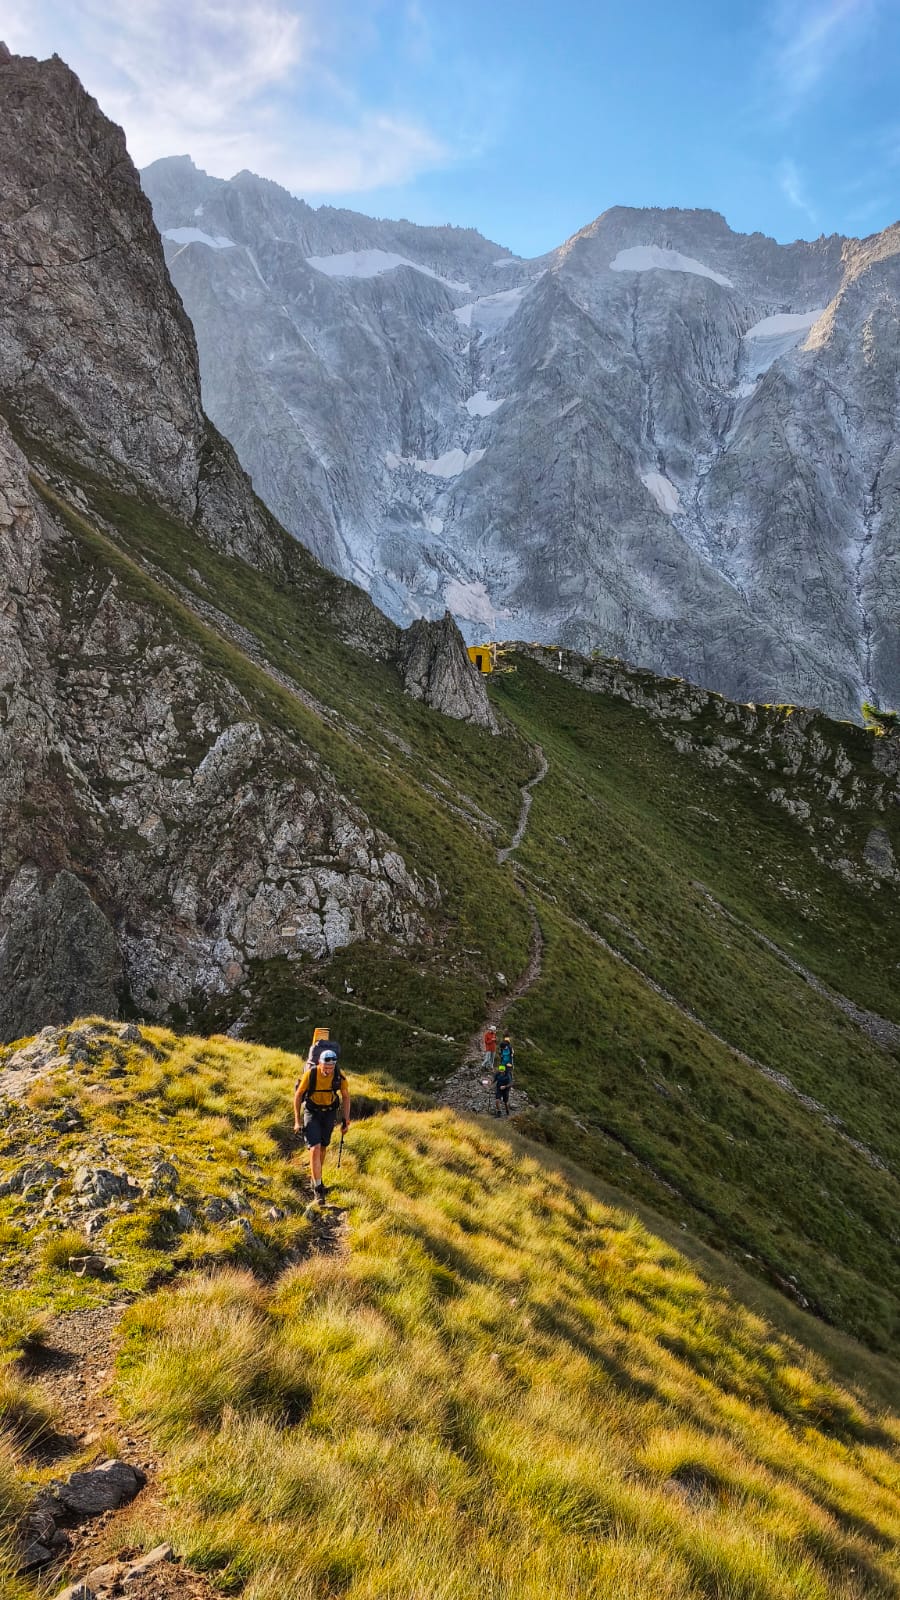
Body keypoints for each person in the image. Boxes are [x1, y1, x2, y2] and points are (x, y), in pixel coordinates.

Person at [293, 1048, 350, 1204]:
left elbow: (346, 1096)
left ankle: (316, 1177)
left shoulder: (339, 1076)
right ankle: (318, 1188)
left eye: (331, 1067)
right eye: (326, 1067)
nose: (328, 1070)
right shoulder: (310, 1074)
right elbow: (298, 1095)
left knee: (323, 1147)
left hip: (329, 1113)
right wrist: (297, 1120)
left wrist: (346, 1120)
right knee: (315, 1148)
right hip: (312, 1112)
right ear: (319, 1063)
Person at [493, 1033, 514, 1116]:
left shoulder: (509, 1048)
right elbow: (501, 1055)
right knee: (497, 1100)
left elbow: (511, 1056)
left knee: (505, 1102)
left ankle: (507, 1111)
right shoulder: (502, 1049)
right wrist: (490, 1083)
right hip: (503, 1063)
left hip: (508, 1064)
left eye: (502, 1071)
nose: (503, 1049)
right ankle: (499, 1112)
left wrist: (510, 1064)